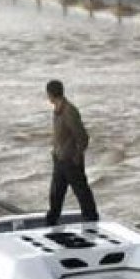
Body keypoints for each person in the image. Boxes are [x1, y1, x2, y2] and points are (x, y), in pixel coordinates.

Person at [45, 79, 99, 226]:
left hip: (70, 161)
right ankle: (51, 222)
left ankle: (92, 221)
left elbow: (82, 137)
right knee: (56, 194)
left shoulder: (69, 111)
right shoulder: (58, 109)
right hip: (59, 159)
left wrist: (77, 156)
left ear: (50, 94)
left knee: (82, 193)